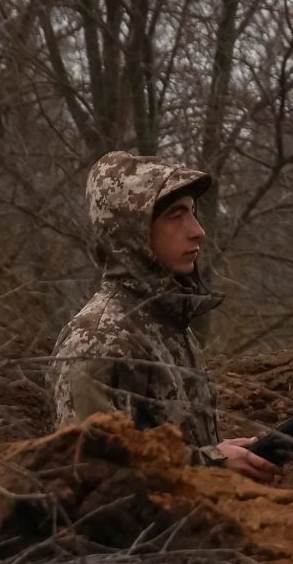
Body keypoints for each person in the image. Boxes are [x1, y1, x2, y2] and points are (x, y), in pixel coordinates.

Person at [51, 151, 278, 481]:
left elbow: (162, 446)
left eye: (193, 213)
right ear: (132, 233)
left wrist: (218, 453)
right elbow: (92, 471)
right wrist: (209, 463)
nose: (197, 230)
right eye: (176, 215)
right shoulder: (97, 339)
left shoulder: (169, 325)